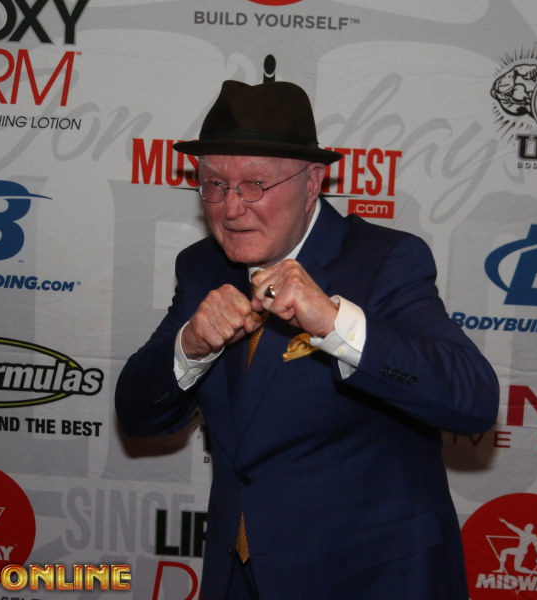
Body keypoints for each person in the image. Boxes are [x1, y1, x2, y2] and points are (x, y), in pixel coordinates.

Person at [115, 79, 499, 600]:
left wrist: (336, 324)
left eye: (255, 184)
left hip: (369, 582)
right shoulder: (201, 266)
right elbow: (137, 413)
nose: (231, 208)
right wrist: (190, 346)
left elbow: (473, 400)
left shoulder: (386, 259)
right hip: (239, 578)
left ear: (313, 182)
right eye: (214, 185)